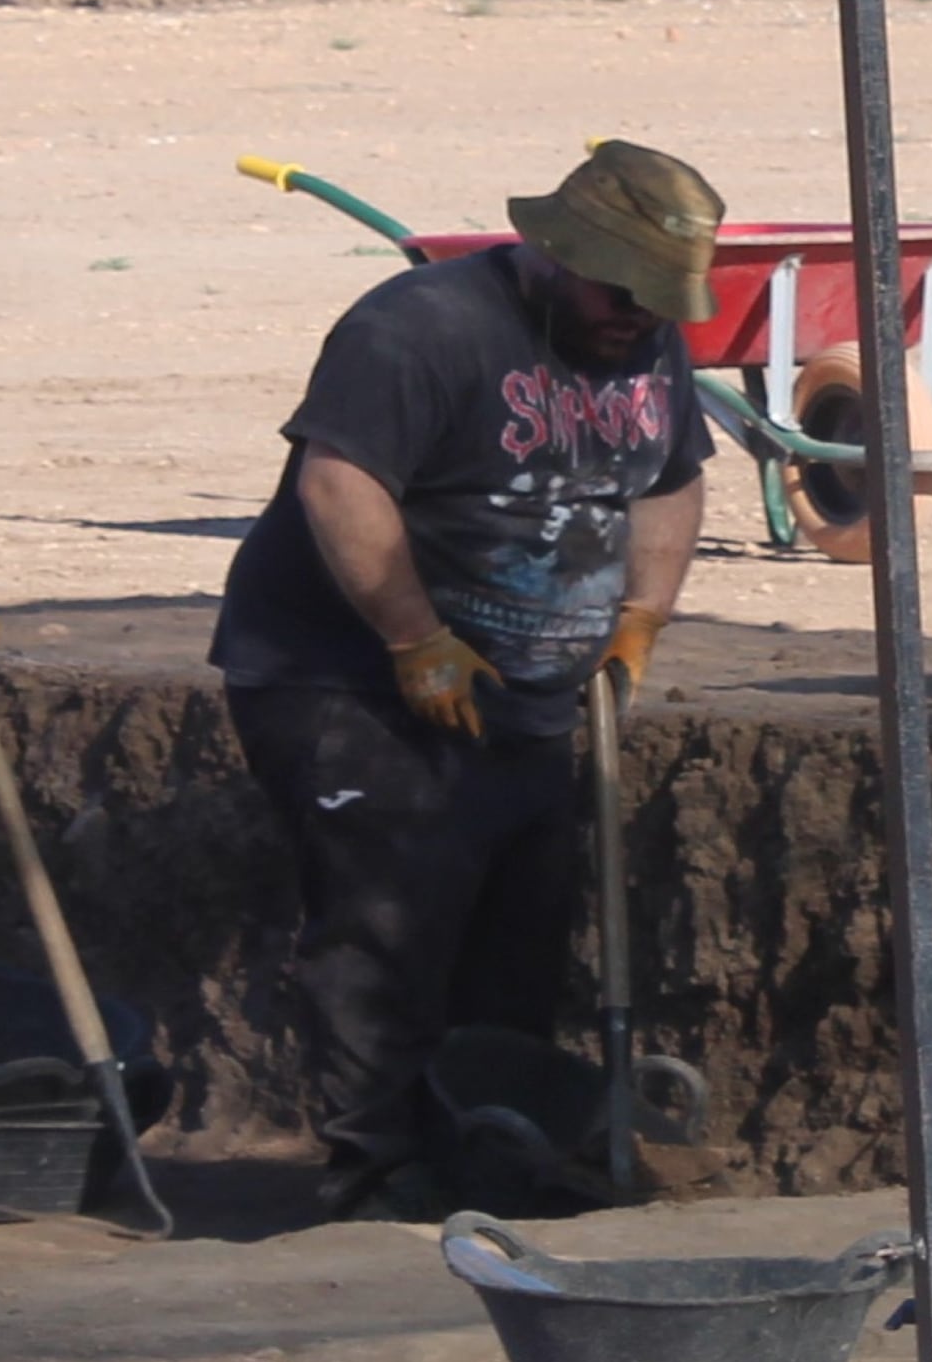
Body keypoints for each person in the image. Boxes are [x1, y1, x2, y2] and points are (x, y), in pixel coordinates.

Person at [210, 140, 720, 1220]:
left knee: (516, 943)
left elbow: (670, 481)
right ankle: (375, 1171)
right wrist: (410, 635)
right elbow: (339, 482)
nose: (634, 313)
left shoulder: (647, 345)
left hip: (527, 694)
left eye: (653, 295)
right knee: (384, 927)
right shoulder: (419, 329)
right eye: (616, 286)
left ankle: (489, 1151)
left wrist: (638, 620)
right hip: (344, 680)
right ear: (551, 248)